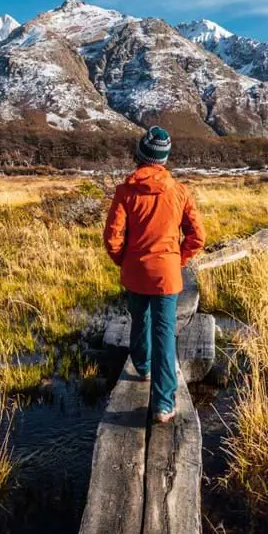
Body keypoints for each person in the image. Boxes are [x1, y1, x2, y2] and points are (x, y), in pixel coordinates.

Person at [103, 126, 206, 424]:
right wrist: (178, 259)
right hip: (167, 275)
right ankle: (163, 405)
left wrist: (125, 261)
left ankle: (142, 366)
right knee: (165, 334)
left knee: (140, 320)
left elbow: (112, 238)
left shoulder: (125, 191)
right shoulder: (180, 192)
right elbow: (197, 236)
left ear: (140, 155)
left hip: (136, 272)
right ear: (164, 158)